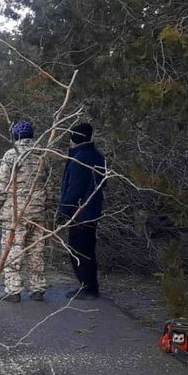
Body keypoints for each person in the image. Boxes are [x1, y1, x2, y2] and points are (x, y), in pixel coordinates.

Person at [0, 119, 49, 302]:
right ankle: (38, 288)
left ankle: (13, 290)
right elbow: (49, 184)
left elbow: (1, 183)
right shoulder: (42, 154)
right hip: (38, 212)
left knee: (14, 250)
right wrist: (49, 204)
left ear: (15, 135)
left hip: (16, 213)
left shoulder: (11, 155)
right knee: (36, 251)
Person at [59, 122, 106, 299]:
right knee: (87, 249)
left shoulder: (80, 159)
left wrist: (63, 210)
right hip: (92, 211)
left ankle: (88, 287)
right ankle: (89, 285)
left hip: (80, 213)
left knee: (79, 250)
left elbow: (74, 189)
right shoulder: (97, 157)